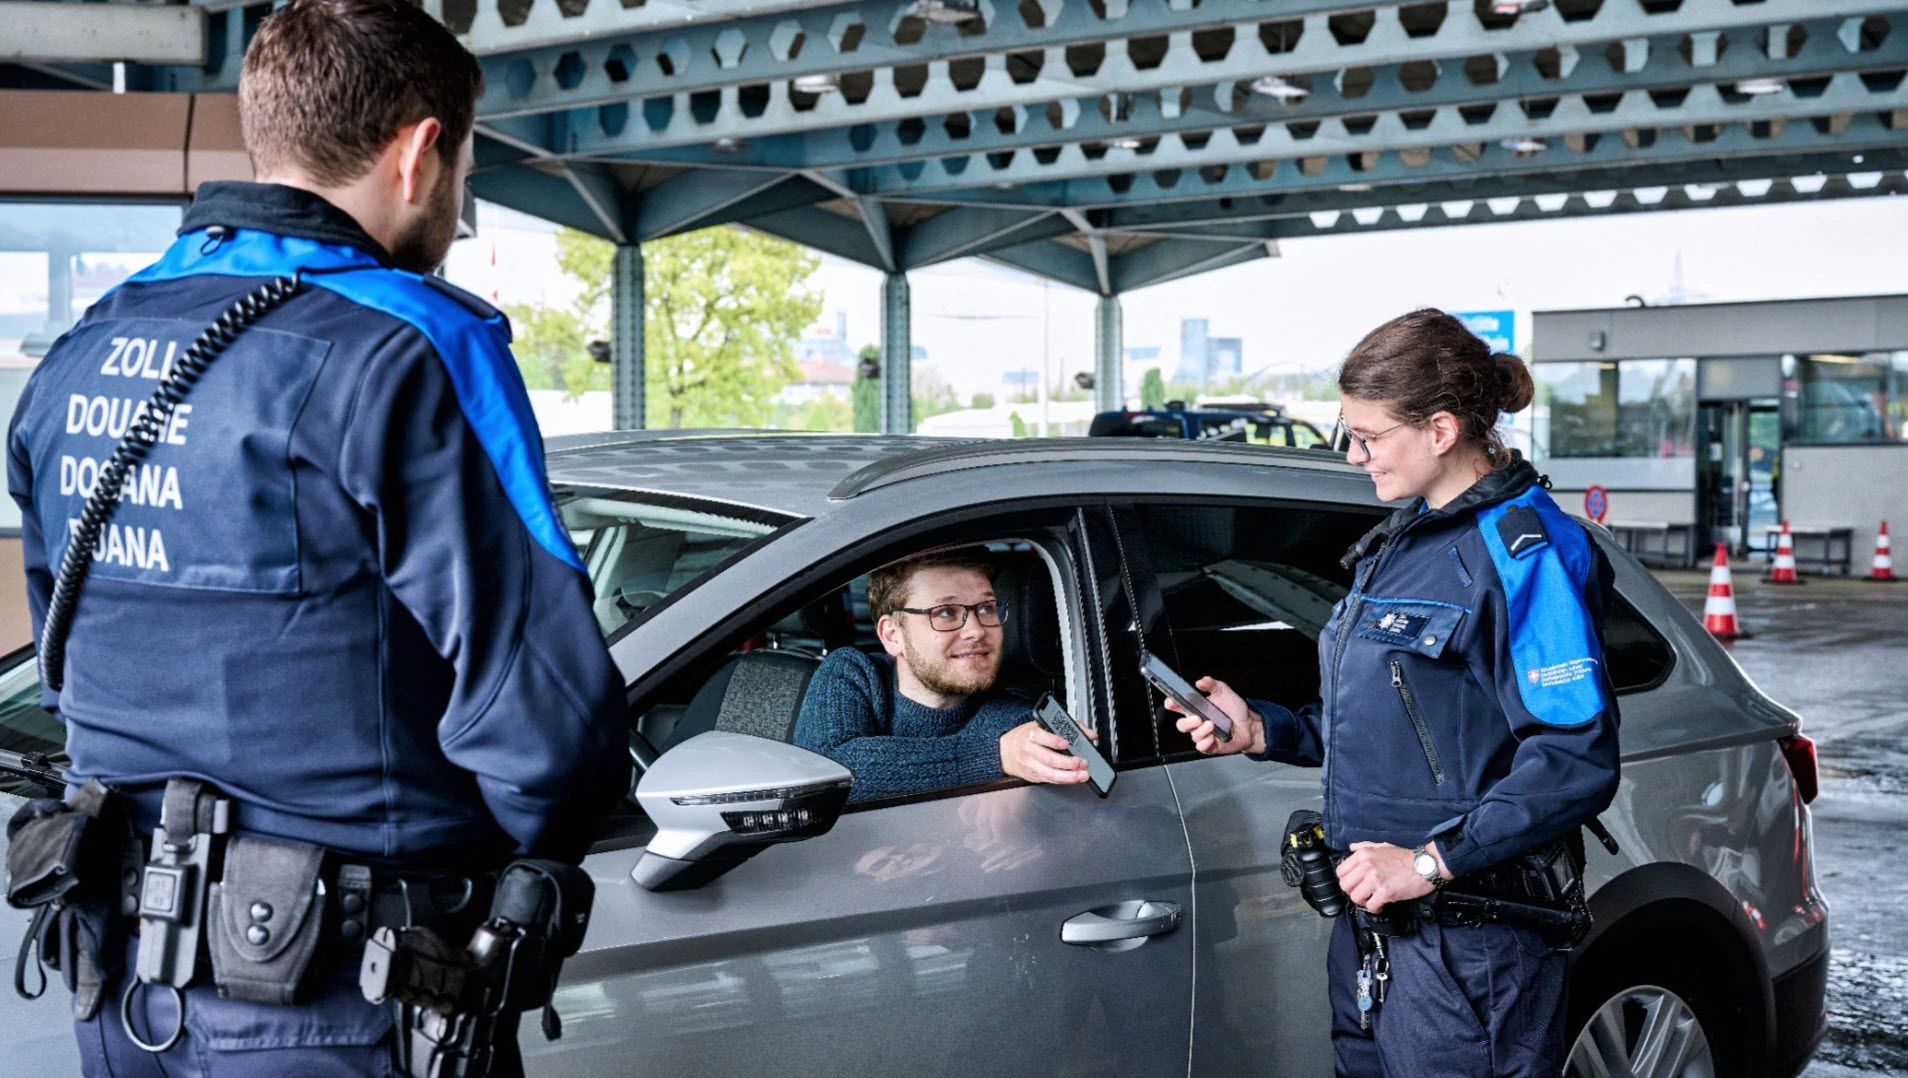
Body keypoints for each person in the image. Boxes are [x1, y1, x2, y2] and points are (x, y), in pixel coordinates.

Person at [4, 0, 630, 1072]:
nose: (460, 208)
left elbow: (68, 652)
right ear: (420, 151)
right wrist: (548, 837)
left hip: (117, 974)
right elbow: (540, 711)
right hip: (338, 989)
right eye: (466, 169)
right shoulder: (414, 346)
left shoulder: (87, 347)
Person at [1167, 308, 1620, 1077]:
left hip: (1471, 944)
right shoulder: (1404, 542)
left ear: (1441, 430)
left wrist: (1431, 862)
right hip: (1380, 930)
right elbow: (1406, 725)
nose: (1352, 457)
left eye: (1368, 437)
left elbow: (1575, 758)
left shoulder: (1525, 553)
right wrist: (1263, 730)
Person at [794, 551, 1092, 803]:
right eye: (946, 612)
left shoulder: (1014, 718)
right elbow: (826, 769)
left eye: (986, 608)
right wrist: (994, 755)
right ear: (892, 635)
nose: (977, 630)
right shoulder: (853, 673)